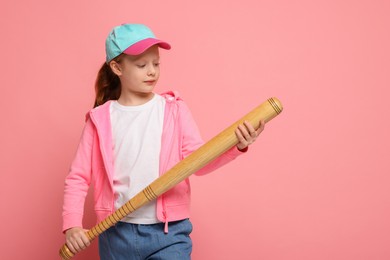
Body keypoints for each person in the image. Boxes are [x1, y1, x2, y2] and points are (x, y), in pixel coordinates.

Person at [62, 23, 265, 260]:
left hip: (169, 234)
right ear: (117, 67)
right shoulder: (100, 120)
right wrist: (72, 225)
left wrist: (238, 145)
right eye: (142, 65)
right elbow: (78, 177)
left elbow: (198, 161)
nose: (152, 71)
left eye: (156, 64)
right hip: (115, 234)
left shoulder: (173, 110)